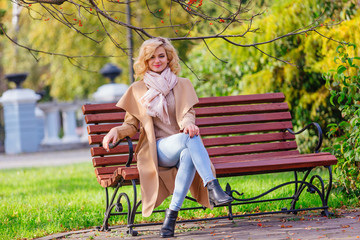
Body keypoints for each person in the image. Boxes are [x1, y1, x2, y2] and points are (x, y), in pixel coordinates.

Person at [102, 37, 233, 238]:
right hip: (157, 150)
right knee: (189, 140)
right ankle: (212, 186)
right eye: (151, 57)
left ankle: (170, 218)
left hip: (182, 145)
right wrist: (116, 131)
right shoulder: (137, 89)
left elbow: (187, 114)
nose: (157, 60)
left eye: (161, 56)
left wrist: (189, 124)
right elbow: (131, 125)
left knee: (189, 150)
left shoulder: (182, 84)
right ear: (145, 61)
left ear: (169, 57)